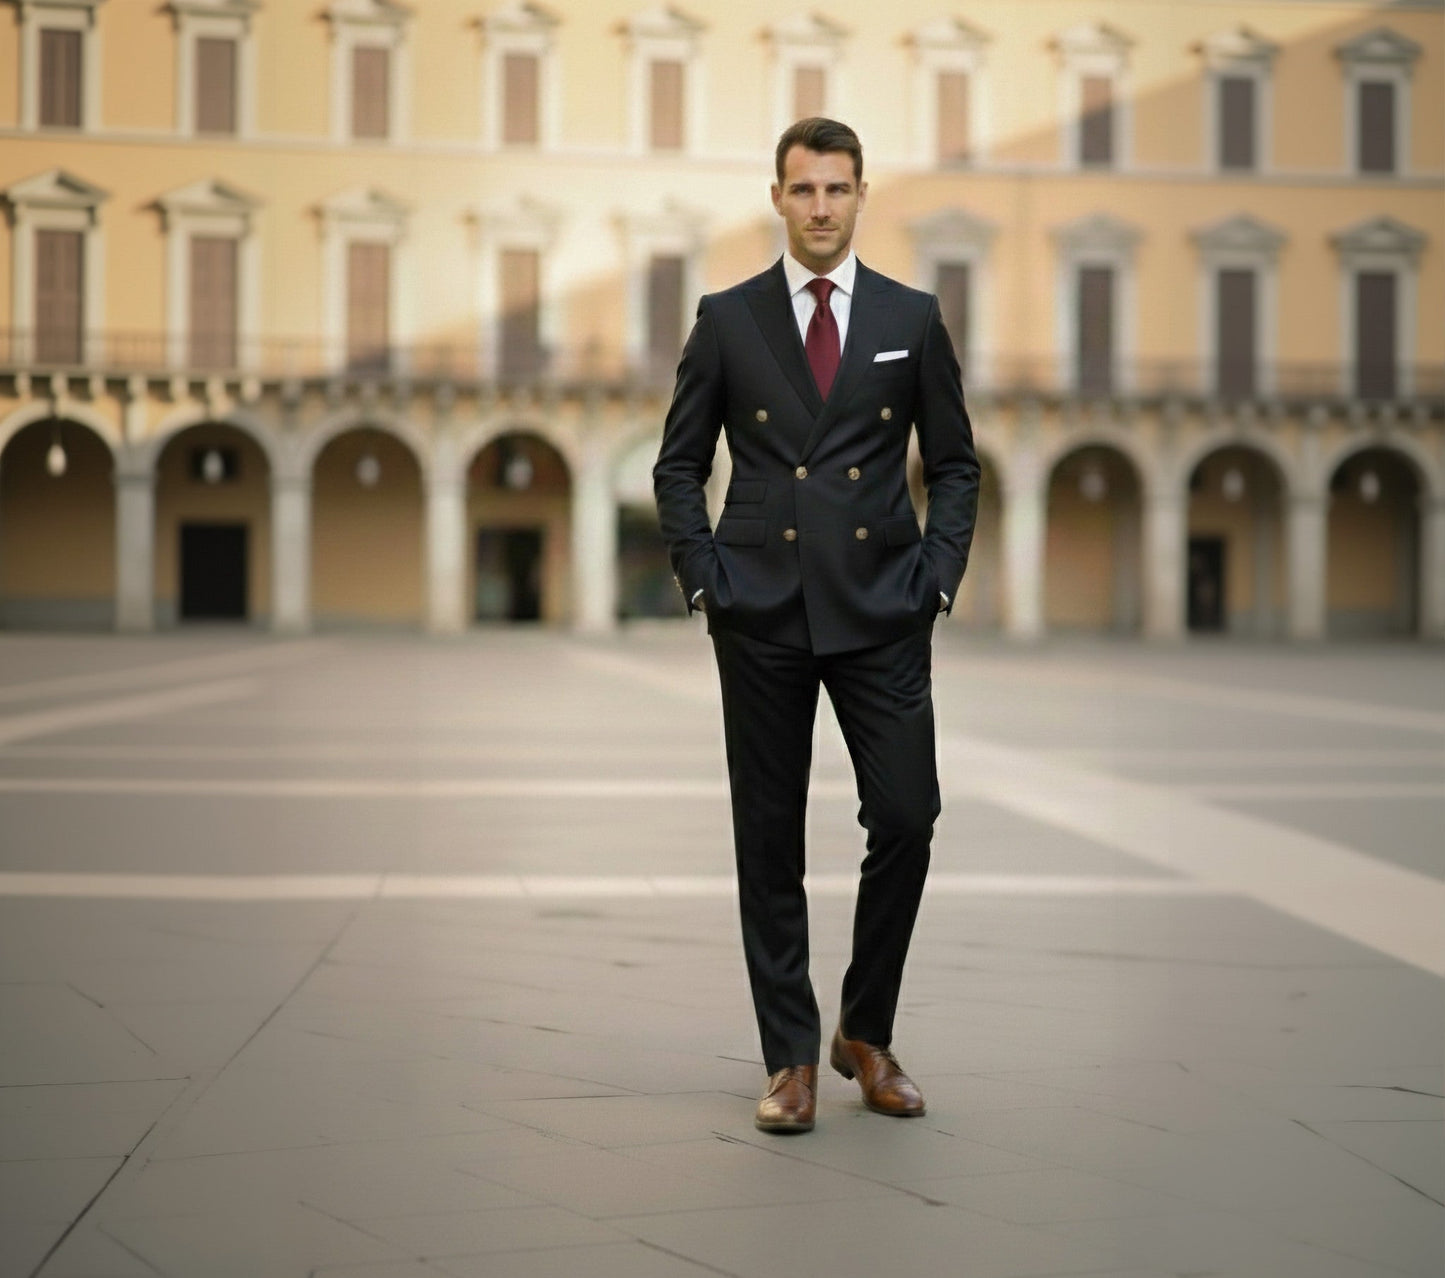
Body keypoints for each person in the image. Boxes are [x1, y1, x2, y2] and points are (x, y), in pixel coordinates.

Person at [652, 117, 980, 1133]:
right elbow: (677, 464)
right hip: (759, 608)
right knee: (767, 837)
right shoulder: (727, 317)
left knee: (908, 816)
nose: (821, 207)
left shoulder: (910, 317)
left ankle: (864, 1033)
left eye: (837, 189)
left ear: (860, 195)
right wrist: (705, 579)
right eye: (803, 190)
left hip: (881, 605)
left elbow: (955, 464)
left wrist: (934, 578)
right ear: (777, 198)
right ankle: (789, 1058)